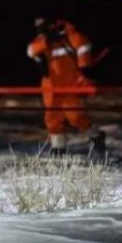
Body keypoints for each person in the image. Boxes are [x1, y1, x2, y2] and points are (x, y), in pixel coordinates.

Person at [27, 17, 104, 154]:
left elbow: (83, 46)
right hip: (50, 86)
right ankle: (58, 148)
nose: (41, 29)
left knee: (75, 117)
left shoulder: (70, 35)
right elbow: (31, 51)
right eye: (38, 26)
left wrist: (84, 67)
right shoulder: (42, 40)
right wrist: (45, 42)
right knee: (52, 119)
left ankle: (96, 135)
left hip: (71, 84)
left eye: (43, 25)